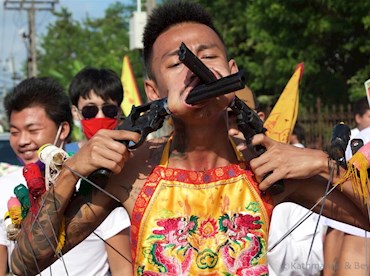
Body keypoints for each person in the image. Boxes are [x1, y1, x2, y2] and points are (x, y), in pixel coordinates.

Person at [10, 1, 370, 275]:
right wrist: (71, 172)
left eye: (207, 56)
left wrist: (325, 166)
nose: (196, 70)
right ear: (153, 89)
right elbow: (23, 263)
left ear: (231, 73)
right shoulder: (130, 172)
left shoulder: (269, 170)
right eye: (177, 63)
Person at [0, 77, 131, 275]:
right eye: (15, 132)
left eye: (33, 130)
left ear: (64, 130)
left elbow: (123, 269)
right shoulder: (4, 187)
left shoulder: (95, 183)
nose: (23, 141)